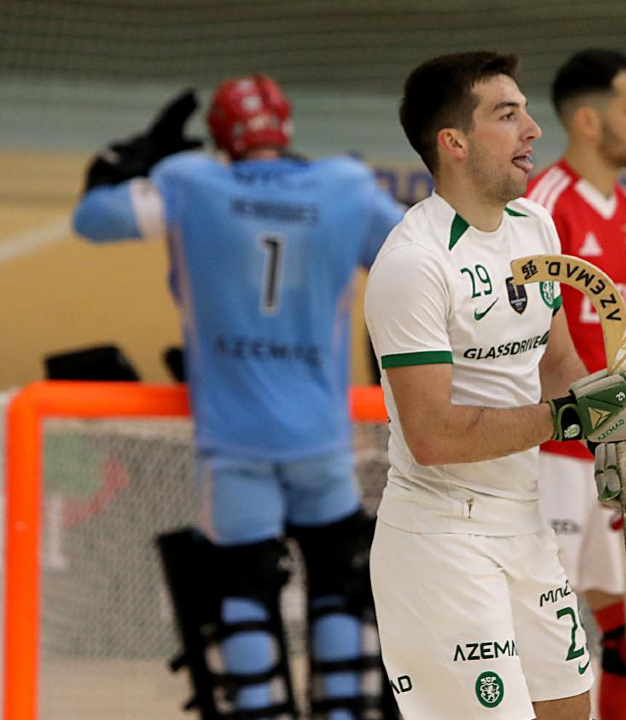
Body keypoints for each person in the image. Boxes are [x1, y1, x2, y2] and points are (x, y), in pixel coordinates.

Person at [71, 75, 405, 720]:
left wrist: (126, 159)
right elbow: (418, 260)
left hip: (234, 442)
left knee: (242, 590)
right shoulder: (344, 187)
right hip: (321, 438)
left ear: (222, 140)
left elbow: (94, 220)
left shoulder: (190, 182)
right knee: (340, 578)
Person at [364, 51, 626, 720]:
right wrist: (568, 418)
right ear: (454, 142)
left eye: (526, 111)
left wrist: (613, 441)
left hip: (523, 520)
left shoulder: (534, 226)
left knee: (570, 709)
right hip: (441, 538)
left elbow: (557, 362)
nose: (533, 129)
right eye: (507, 115)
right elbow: (433, 435)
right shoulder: (413, 263)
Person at [525, 48, 626, 720]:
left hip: (605, 458)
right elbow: (522, 350)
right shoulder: (542, 208)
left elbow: (611, 354)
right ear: (589, 121)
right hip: (546, 460)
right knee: (541, 655)